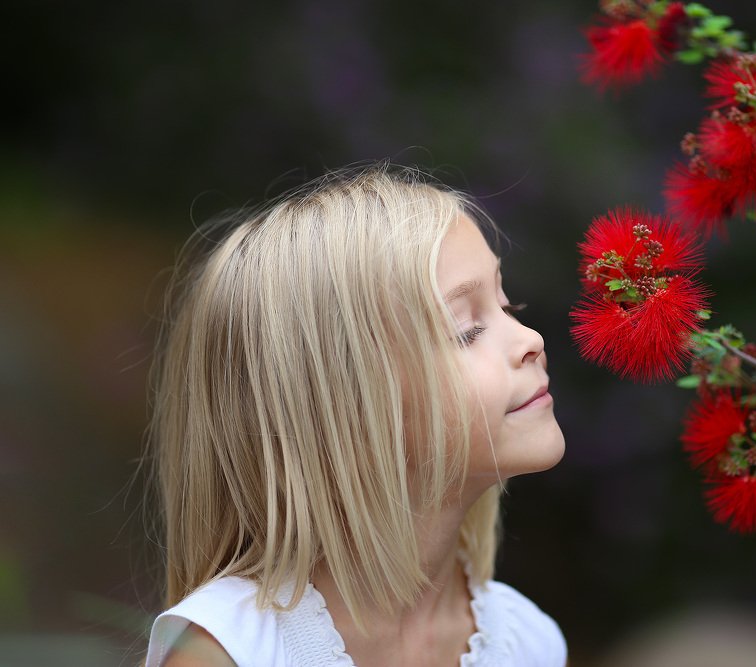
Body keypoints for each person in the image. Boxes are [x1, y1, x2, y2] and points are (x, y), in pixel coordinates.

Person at [142, 164, 567, 666]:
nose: (531, 340)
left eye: (505, 303)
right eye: (466, 329)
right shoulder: (229, 653)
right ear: (347, 410)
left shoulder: (531, 644)